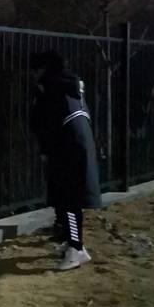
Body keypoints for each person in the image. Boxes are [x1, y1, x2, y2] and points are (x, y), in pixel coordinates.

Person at [30, 50, 102, 270]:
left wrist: (46, 149)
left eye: (36, 69)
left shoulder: (50, 88)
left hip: (67, 148)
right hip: (79, 145)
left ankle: (76, 249)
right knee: (68, 198)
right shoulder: (70, 86)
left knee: (70, 201)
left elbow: (45, 123)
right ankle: (73, 244)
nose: (33, 74)